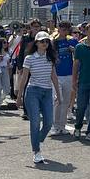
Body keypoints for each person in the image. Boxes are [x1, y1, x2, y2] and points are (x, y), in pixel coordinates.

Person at [14, 31, 57, 165]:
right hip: (33, 91)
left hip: (47, 91)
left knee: (49, 122)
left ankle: (37, 140)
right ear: (36, 43)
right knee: (35, 121)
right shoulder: (29, 58)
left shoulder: (50, 58)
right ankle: (36, 151)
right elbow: (24, 77)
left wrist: (59, 94)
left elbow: (53, 76)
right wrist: (19, 96)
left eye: (46, 41)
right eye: (42, 41)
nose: (45, 44)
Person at [52, 21, 77, 136]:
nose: (64, 31)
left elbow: (79, 56)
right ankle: (55, 125)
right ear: (58, 29)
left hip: (69, 74)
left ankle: (62, 126)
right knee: (58, 100)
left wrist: (74, 51)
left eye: (67, 29)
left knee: (66, 101)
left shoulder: (72, 41)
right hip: (57, 75)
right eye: (62, 28)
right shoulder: (54, 42)